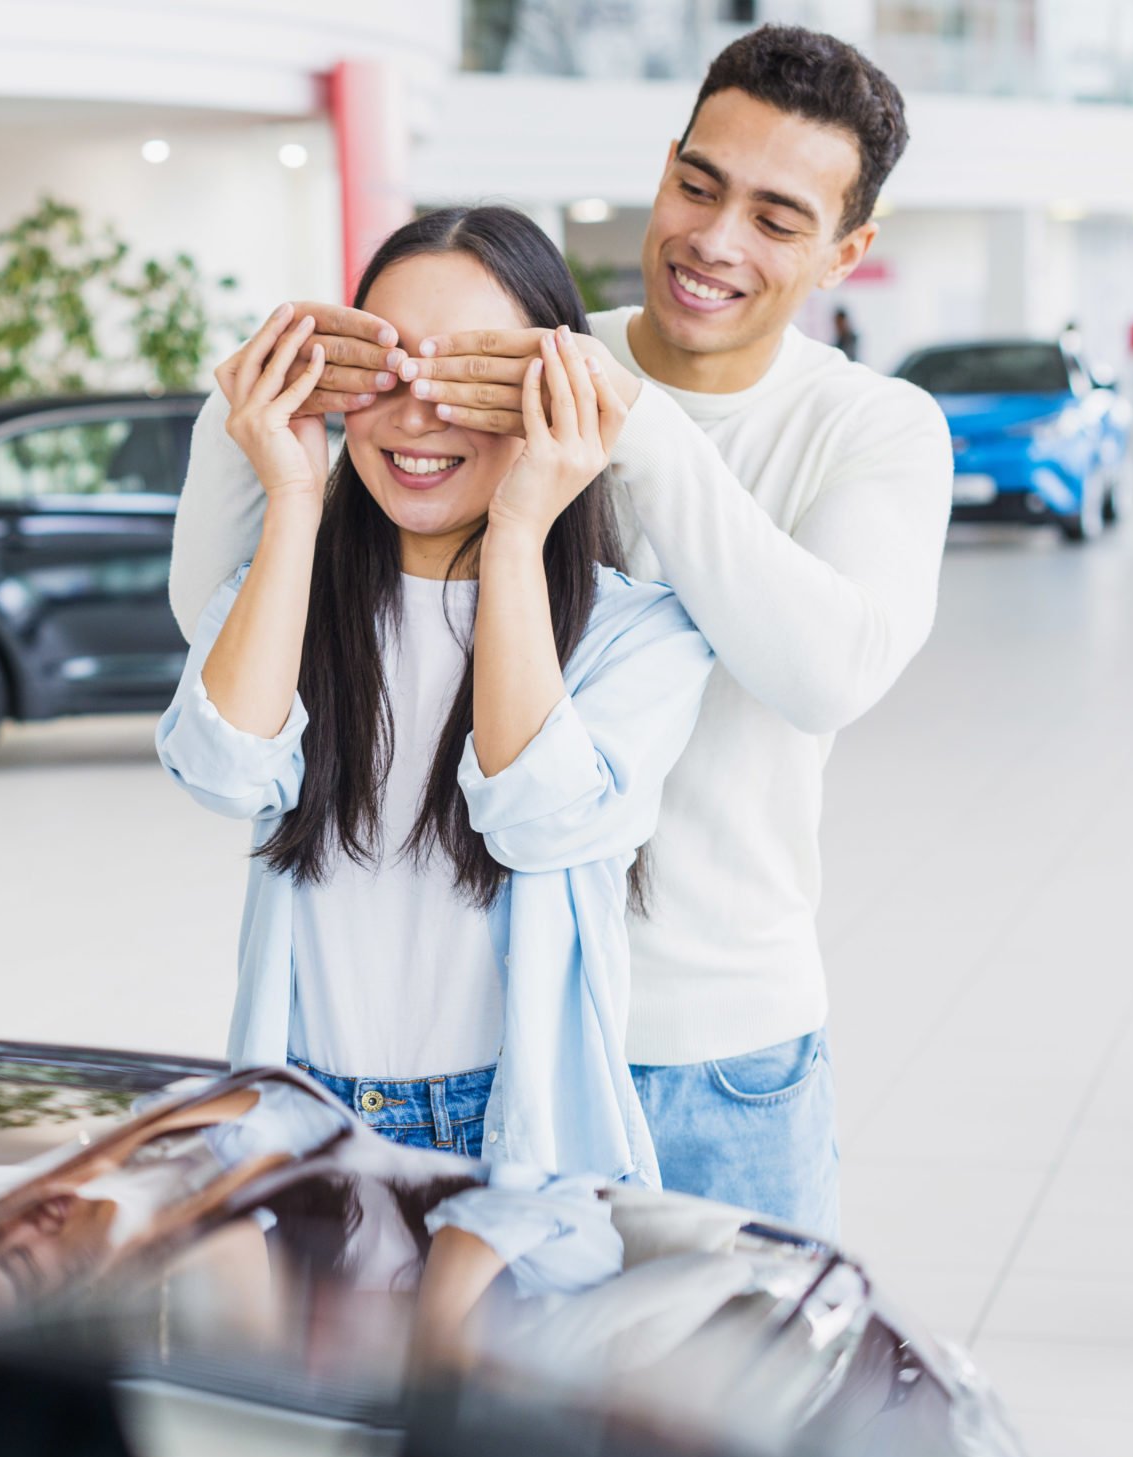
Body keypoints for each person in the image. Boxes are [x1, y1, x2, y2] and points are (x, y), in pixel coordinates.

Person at [168, 25, 953, 1236]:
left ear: (847, 249)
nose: (714, 238)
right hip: (484, 1038)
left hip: (707, 1045)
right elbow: (232, 642)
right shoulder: (500, 351)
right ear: (664, 166)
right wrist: (254, 408)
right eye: (697, 183)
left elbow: (825, 672)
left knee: (729, 1413)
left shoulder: (871, 429)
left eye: (777, 217)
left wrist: (630, 425)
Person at [156, 205, 714, 1179]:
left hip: (507, 1128)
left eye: (470, 375)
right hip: (298, 1116)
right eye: (388, 369)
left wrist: (516, 527)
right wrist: (293, 493)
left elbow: (535, 817)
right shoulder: (280, 596)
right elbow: (222, 770)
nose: (419, 413)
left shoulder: (640, 632)